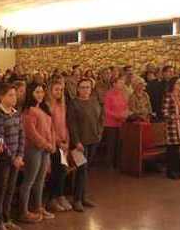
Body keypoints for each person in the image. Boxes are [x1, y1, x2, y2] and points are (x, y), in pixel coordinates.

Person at [19, 83, 56, 222]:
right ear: (30, 93)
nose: (40, 94)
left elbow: (51, 128)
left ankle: (38, 207)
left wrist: (52, 144)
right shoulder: (29, 111)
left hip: (45, 149)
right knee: (29, 180)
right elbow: (31, 132)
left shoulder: (44, 108)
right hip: (33, 149)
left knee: (40, 180)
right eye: (37, 92)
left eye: (41, 92)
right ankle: (24, 211)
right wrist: (46, 145)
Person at [0, 83, 25, 230]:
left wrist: (20, 155)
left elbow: (22, 135)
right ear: (1, 97)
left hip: (16, 159)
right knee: (1, 189)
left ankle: (7, 218)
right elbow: (1, 140)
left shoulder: (16, 113)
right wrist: (12, 158)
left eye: (14, 94)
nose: (14, 98)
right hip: (5, 160)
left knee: (11, 189)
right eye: (10, 95)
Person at [67, 78, 103, 212]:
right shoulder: (73, 104)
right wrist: (76, 142)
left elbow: (100, 118)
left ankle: (83, 197)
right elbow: (72, 124)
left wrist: (99, 133)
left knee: (86, 170)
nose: (85, 90)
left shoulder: (94, 101)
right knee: (81, 169)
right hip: (79, 144)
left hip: (93, 140)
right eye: (82, 87)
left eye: (87, 87)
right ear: (78, 89)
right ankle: (76, 200)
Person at [47, 79, 72, 212]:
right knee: (56, 172)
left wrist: (67, 140)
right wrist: (58, 143)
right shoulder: (48, 106)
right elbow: (50, 128)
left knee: (62, 171)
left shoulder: (62, 105)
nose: (59, 92)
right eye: (56, 89)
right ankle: (52, 199)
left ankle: (60, 196)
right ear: (50, 91)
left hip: (63, 142)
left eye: (61, 89)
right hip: (54, 142)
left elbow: (64, 125)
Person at [162, 77, 180, 179]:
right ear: (172, 84)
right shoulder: (168, 96)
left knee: (177, 150)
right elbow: (164, 113)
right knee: (172, 150)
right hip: (171, 126)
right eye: (177, 83)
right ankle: (170, 171)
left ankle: (176, 170)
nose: (179, 85)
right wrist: (177, 116)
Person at [103, 76, 129, 169]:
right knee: (111, 145)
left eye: (122, 83)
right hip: (111, 123)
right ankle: (109, 164)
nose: (122, 85)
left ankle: (118, 163)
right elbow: (106, 110)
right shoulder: (109, 94)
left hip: (121, 122)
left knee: (119, 144)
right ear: (114, 84)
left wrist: (126, 113)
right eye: (120, 83)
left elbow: (126, 106)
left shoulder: (122, 94)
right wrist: (117, 116)